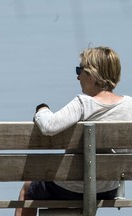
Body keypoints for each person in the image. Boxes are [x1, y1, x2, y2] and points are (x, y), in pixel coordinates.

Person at [15, 46, 132, 216]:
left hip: (68, 188)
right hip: (109, 188)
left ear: (91, 75)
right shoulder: (130, 106)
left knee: (27, 188)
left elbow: (48, 126)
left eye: (80, 70)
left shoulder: (83, 104)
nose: (77, 76)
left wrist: (42, 109)